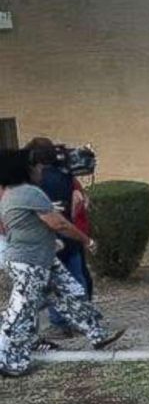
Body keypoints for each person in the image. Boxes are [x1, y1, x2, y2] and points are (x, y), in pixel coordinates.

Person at [0, 150, 124, 377]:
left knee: (72, 291)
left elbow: (18, 226)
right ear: (24, 170)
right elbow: (60, 224)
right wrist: (87, 240)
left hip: (38, 258)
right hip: (31, 262)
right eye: (36, 167)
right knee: (21, 311)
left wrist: (46, 239)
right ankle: (7, 360)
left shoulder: (9, 194)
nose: (41, 170)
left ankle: (98, 334)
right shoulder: (29, 193)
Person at [24, 137, 94, 336]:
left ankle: (59, 321)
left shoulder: (31, 181)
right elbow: (76, 202)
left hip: (45, 239)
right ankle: (82, 318)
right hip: (69, 234)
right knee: (76, 279)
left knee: (51, 284)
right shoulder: (65, 176)